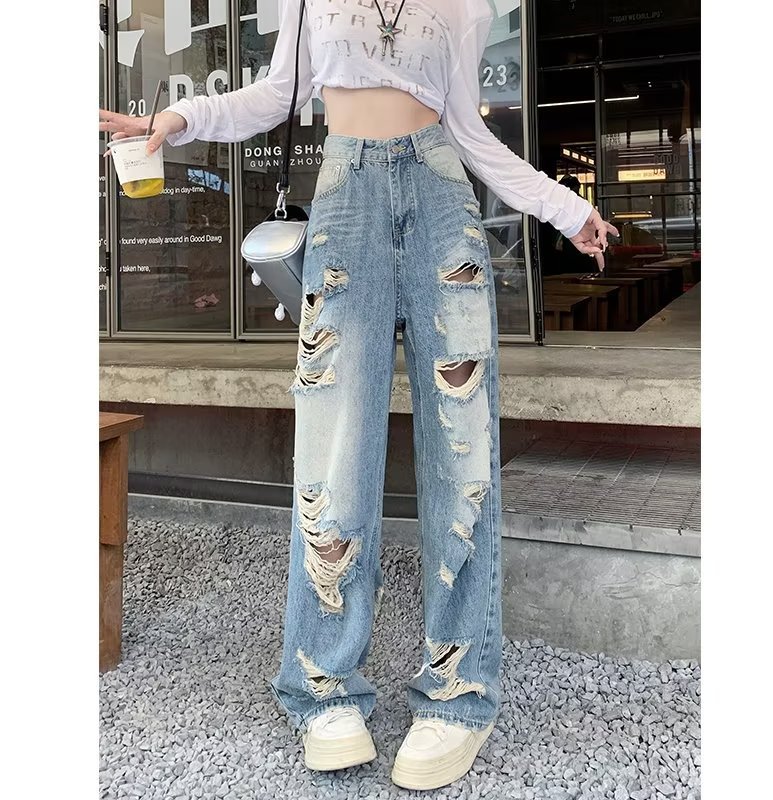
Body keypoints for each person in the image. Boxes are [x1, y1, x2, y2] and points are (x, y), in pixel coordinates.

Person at [100, 0, 618, 790]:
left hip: (442, 199)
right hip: (346, 197)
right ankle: (323, 684)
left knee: (463, 451)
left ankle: (459, 691)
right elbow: (275, 94)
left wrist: (566, 208)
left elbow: (471, 132)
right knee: (333, 452)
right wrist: (177, 118)